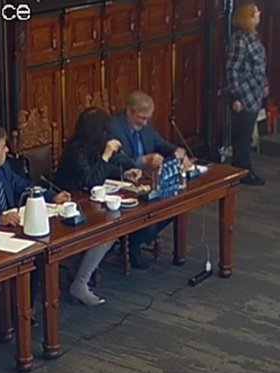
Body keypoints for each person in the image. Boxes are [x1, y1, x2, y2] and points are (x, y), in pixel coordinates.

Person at [57, 107, 146, 304]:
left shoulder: (92, 146)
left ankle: (77, 273)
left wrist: (123, 173)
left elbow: (102, 168)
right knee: (107, 232)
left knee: (113, 226)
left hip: (87, 203)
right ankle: (80, 282)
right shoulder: (76, 151)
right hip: (69, 206)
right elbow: (91, 180)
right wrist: (106, 154)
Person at [106, 91, 191, 267]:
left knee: (174, 205)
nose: (145, 123)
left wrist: (177, 151)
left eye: (148, 118)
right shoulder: (114, 127)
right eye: (141, 118)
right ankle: (133, 245)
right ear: (129, 111)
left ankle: (136, 240)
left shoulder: (146, 124)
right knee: (152, 214)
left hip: (147, 180)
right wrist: (141, 161)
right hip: (123, 182)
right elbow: (113, 160)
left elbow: (159, 143)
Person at [0, 124, 70, 228]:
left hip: (12, 229)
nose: (7, 150)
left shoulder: (3, 168)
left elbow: (24, 186)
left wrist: (52, 196)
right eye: (3, 147)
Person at [224, 2, 269, 187]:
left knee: (247, 134)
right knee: (242, 137)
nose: (259, 14)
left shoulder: (252, 36)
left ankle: (241, 168)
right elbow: (232, 69)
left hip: (255, 91)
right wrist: (236, 96)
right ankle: (242, 170)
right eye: (255, 12)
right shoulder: (239, 40)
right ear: (248, 17)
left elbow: (259, 65)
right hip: (244, 94)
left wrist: (264, 84)